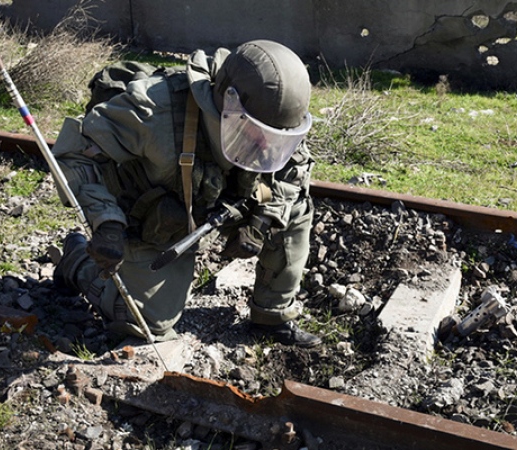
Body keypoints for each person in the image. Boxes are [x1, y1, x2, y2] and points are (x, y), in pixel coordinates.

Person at [50, 39, 321, 347]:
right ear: (229, 103)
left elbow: (293, 173)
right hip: (157, 218)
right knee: (149, 323)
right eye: (255, 134)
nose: (264, 145)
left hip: (223, 201)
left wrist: (260, 224)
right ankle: (76, 261)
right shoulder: (153, 109)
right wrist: (106, 222)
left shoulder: (275, 117)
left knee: (295, 209)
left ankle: (272, 316)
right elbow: (76, 153)